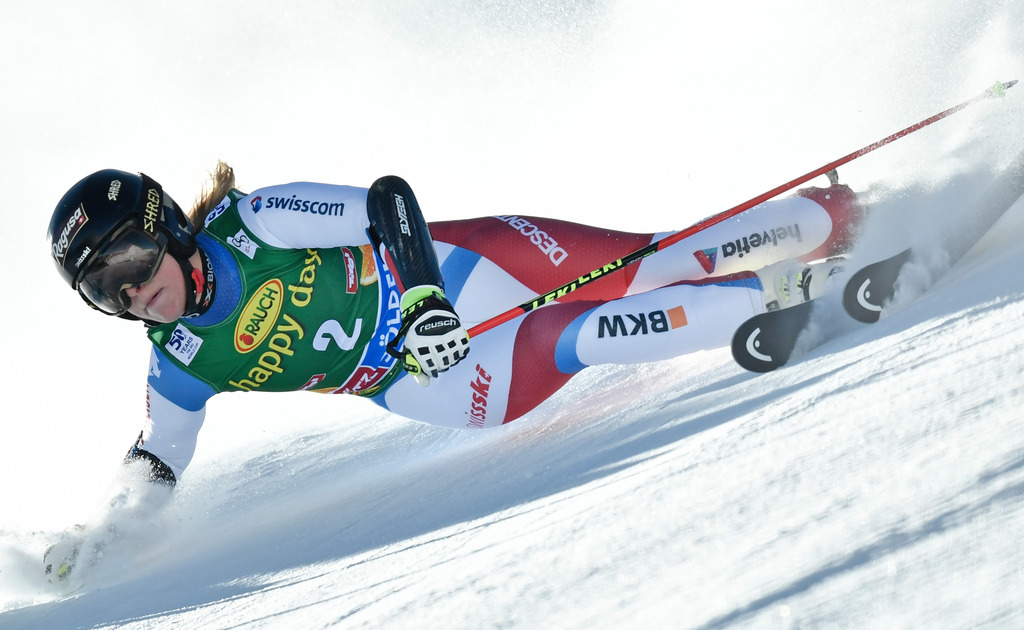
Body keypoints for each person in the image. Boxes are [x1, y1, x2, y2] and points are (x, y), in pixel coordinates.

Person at [43, 162, 860, 579]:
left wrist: (429, 297)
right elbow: (160, 455)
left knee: (649, 264)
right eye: (107, 294)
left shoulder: (255, 223)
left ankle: (845, 216)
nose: (137, 295)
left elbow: (388, 202)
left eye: (132, 262)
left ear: (165, 231)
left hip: (459, 266)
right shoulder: (181, 361)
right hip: (430, 379)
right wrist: (112, 531)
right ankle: (788, 294)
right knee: (578, 336)